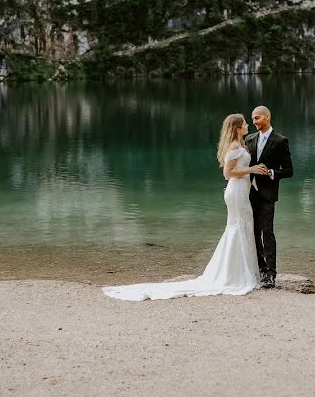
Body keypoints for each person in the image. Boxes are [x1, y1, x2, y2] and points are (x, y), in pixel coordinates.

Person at [102, 114, 267, 301]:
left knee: (243, 227)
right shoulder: (235, 146)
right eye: (245, 123)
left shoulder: (241, 144)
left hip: (242, 192)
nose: (247, 125)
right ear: (237, 128)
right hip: (236, 193)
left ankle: (243, 272)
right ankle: (237, 275)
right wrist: (251, 170)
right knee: (238, 227)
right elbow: (227, 173)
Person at [244, 105, 294, 289]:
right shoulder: (249, 139)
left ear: (267, 116)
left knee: (267, 232)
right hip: (248, 194)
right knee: (253, 232)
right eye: (252, 118)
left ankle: (271, 274)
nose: (254, 121)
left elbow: (289, 171)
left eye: (257, 118)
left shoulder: (280, 141)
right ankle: (260, 269)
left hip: (267, 195)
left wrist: (272, 172)